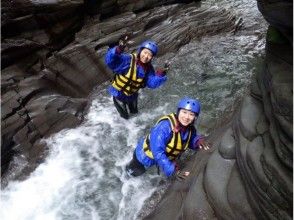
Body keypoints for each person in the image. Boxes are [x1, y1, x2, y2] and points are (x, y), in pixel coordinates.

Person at [126, 97, 210, 180]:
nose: (187, 117)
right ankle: (127, 175)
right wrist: (172, 171)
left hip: (162, 156)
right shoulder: (164, 127)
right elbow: (158, 152)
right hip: (143, 157)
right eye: (184, 112)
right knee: (135, 173)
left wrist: (198, 141)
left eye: (191, 114)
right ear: (178, 112)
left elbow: (188, 139)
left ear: (195, 117)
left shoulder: (189, 128)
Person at [105, 36, 168, 119]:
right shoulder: (128, 60)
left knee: (135, 114)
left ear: (152, 57)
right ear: (140, 50)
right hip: (118, 94)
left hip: (132, 95)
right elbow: (111, 61)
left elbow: (151, 84)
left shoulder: (149, 69)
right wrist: (118, 49)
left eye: (149, 55)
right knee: (125, 117)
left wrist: (160, 74)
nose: (146, 56)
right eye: (145, 52)